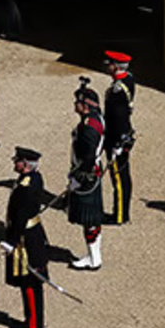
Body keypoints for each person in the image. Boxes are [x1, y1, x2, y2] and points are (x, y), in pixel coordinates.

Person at [1, 147, 51, 328]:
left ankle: (32, 323)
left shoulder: (26, 187)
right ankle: (34, 319)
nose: (15, 163)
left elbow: (20, 216)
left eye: (18, 161)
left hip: (26, 237)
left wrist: (12, 241)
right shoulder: (33, 178)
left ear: (25, 165)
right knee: (31, 282)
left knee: (29, 281)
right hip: (33, 232)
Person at [68, 79, 106, 270]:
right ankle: (94, 255)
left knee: (89, 222)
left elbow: (88, 157)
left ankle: (94, 259)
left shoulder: (89, 128)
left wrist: (77, 178)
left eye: (77, 102)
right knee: (92, 221)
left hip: (86, 177)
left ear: (85, 105)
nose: (74, 105)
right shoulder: (94, 119)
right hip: (91, 174)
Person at [103, 51, 136, 225]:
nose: (107, 66)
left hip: (116, 138)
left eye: (109, 64)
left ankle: (120, 215)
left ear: (115, 66)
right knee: (123, 176)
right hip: (123, 135)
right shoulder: (127, 79)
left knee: (119, 178)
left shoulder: (117, 91)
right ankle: (122, 213)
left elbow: (118, 118)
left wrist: (117, 142)